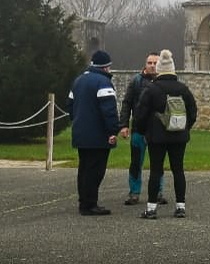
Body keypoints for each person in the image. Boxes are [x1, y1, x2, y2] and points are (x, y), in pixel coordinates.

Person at [131, 49, 197, 219]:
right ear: (173, 69)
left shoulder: (152, 89)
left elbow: (140, 114)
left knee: (156, 170)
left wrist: (143, 130)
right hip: (179, 136)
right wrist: (185, 127)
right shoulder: (183, 89)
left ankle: (151, 208)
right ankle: (180, 206)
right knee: (178, 170)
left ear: (159, 69)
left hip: (157, 137)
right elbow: (193, 112)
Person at [68, 50, 121, 216]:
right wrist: (113, 131)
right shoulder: (103, 82)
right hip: (98, 135)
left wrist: (78, 122)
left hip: (81, 132)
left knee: (84, 168)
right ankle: (90, 204)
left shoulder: (78, 81)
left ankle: (84, 201)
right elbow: (109, 110)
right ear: (105, 67)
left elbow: (70, 106)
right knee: (96, 170)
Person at [118, 51, 166, 206]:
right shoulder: (136, 81)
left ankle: (158, 192)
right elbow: (127, 103)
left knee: (157, 163)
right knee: (135, 163)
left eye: (155, 63)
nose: (152, 66)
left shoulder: (163, 82)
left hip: (158, 130)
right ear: (145, 64)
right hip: (139, 129)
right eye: (149, 63)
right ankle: (134, 192)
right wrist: (124, 125)